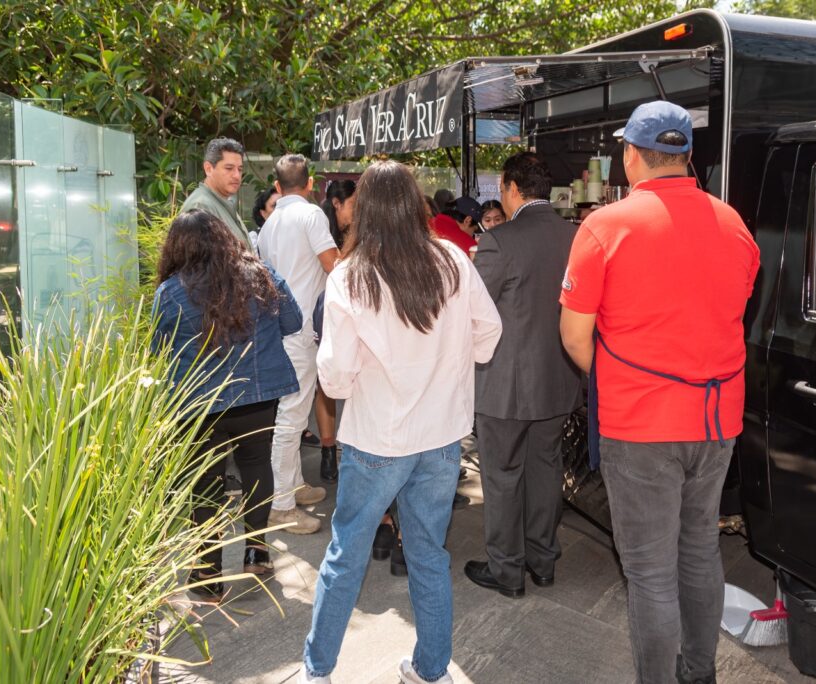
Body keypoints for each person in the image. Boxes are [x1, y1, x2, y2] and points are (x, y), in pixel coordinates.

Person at [559, 100, 759, 684]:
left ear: (631, 156)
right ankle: (700, 673)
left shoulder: (605, 226)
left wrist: (618, 381)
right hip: (717, 421)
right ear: (687, 155)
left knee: (649, 572)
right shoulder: (734, 224)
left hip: (640, 425)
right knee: (699, 551)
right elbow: (732, 310)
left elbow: (574, 335)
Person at [301, 160, 502, 684]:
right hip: (441, 437)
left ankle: (318, 671)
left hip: (376, 438)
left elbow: (335, 379)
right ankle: (432, 670)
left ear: (363, 210)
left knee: (346, 555)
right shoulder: (453, 259)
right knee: (428, 554)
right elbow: (488, 334)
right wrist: (447, 365)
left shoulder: (351, 275)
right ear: (416, 204)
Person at [152, 209, 303, 602]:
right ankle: (257, 553)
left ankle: (208, 573)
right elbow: (293, 322)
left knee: (206, 481)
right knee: (256, 464)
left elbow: (158, 349)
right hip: (258, 395)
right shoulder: (261, 275)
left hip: (199, 403)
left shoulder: (169, 292)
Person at [463, 152, 581, 599]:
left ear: (513, 189)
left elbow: (474, 310)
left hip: (505, 384)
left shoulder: (499, 240)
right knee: (546, 469)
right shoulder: (575, 235)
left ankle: (506, 569)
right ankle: (543, 560)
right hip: (558, 377)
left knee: (502, 474)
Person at [257, 153, 340, 535]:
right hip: (303, 328)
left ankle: (292, 486)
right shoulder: (311, 215)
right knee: (291, 418)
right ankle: (281, 506)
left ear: (277, 186)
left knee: (294, 411)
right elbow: (332, 265)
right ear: (310, 184)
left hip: (280, 328)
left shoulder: (270, 223)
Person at [180, 137, 252, 249]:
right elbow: (197, 259)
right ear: (208, 169)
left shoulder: (222, 201)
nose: (237, 175)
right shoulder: (200, 206)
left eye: (240, 169)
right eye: (229, 168)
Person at [321, 179, 357, 250]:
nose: (358, 209)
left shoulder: (353, 232)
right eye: (353, 204)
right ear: (336, 203)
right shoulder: (322, 231)